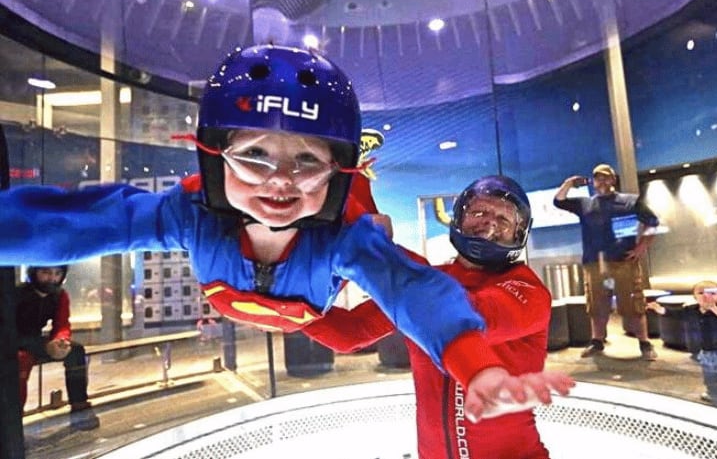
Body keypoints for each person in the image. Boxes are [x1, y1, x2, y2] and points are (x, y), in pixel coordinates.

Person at [0, 44, 572, 421]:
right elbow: (80, 223)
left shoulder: (349, 238)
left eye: (306, 159)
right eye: (253, 155)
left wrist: (478, 367)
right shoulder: (192, 212)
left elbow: (415, 294)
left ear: (338, 170)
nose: (280, 182)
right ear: (214, 158)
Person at [304, 175, 563, 458]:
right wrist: (283, 307)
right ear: (458, 220)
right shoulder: (423, 287)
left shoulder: (528, 291)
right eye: (479, 212)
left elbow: (459, 317)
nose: (489, 223)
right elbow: (349, 333)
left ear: (518, 233)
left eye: (503, 219)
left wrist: (379, 252)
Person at [554, 163, 659, 360]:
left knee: (634, 304)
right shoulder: (585, 204)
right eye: (597, 178)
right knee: (597, 305)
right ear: (593, 182)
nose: (601, 181)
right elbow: (558, 201)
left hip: (624, 263)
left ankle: (645, 343)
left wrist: (642, 247)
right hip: (595, 264)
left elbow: (653, 223)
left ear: (613, 180)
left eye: (605, 177)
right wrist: (568, 183)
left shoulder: (630, 201)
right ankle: (597, 342)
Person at [16, 265, 100, 430]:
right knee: (21, 359)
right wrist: (47, 346)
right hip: (11, 340)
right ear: (34, 273)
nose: (52, 278)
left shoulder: (59, 295)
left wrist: (61, 341)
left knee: (75, 351)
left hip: (36, 340)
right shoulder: (17, 294)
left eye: (57, 273)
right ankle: (14, 417)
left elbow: (62, 324)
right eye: (46, 273)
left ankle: (80, 407)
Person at [647, 281, 717, 409]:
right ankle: (714, 394)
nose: (706, 296)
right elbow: (675, 313)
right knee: (710, 377)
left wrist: (712, 307)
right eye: (701, 293)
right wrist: (659, 309)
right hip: (705, 352)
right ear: (695, 297)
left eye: (712, 293)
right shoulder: (691, 310)